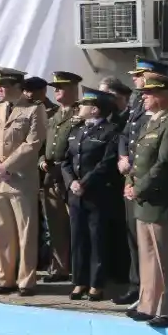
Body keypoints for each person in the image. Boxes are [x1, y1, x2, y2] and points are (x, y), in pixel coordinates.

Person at [124, 73, 168, 327]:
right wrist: (130, 182)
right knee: (148, 257)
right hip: (144, 200)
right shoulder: (150, 122)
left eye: (149, 93)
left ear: (164, 96)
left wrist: (139, 188)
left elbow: (164, 164)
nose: (144, 97)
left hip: (162, 200)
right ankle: (147, 304)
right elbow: (138, 159)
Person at [0, 68, 47, 296]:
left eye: (4, 86)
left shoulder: (34, 109)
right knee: (2, 231)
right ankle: (4, 279)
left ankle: (26, 281)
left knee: (25, 232)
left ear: (18, 87)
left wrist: (6, 166)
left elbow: (33, 143)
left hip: (21, 181)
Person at [116, 57, 168, 306]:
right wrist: (122, 157)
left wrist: (137, 182)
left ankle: (155, 293)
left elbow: (161, 158)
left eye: (140, 76)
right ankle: (138, 285)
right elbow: (126, 134)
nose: (135, 80)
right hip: (133, 178)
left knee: (155, 246)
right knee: (134, 237)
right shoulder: (138, 104)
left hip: (150, 185)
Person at [61, 88, 121, 301]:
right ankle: (79, 281)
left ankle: (96, 283)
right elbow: (66, 160)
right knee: (78, 239)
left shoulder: (111, 131)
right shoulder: (77, 130)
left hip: (97, 194)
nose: (79, 108)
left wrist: (85, 183)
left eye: (83, 105)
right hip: (76, 194)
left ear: (95, 110)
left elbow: (106, 163)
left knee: (97, 239)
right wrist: (72, 182)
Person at [40, 71, 82, 283]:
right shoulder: (53, 115)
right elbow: (45, 145)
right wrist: (42, 160)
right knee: (55, 225)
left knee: (75, 225)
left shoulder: (80, 113)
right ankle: (59, 267)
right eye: (55, 87)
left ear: (74, 89)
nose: (56, 90)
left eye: (61, 87)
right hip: (51, 177)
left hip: (70, 176)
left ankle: (78, 268)